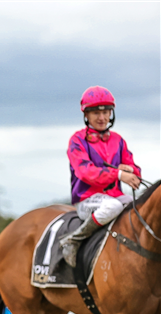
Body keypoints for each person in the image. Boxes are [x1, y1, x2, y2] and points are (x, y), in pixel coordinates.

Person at [60, 86, 142, 267]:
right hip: (87, 200)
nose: (102, 118)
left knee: (139, 206)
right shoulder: (77, 140)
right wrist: (119, 174)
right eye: (96, 113)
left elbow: (135, 171)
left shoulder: (118, 140)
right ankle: (74, 240)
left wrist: (130, 170)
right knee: (112, 206)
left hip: (114, 197)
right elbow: (85, 172)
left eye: (106, 112)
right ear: (86, 115)